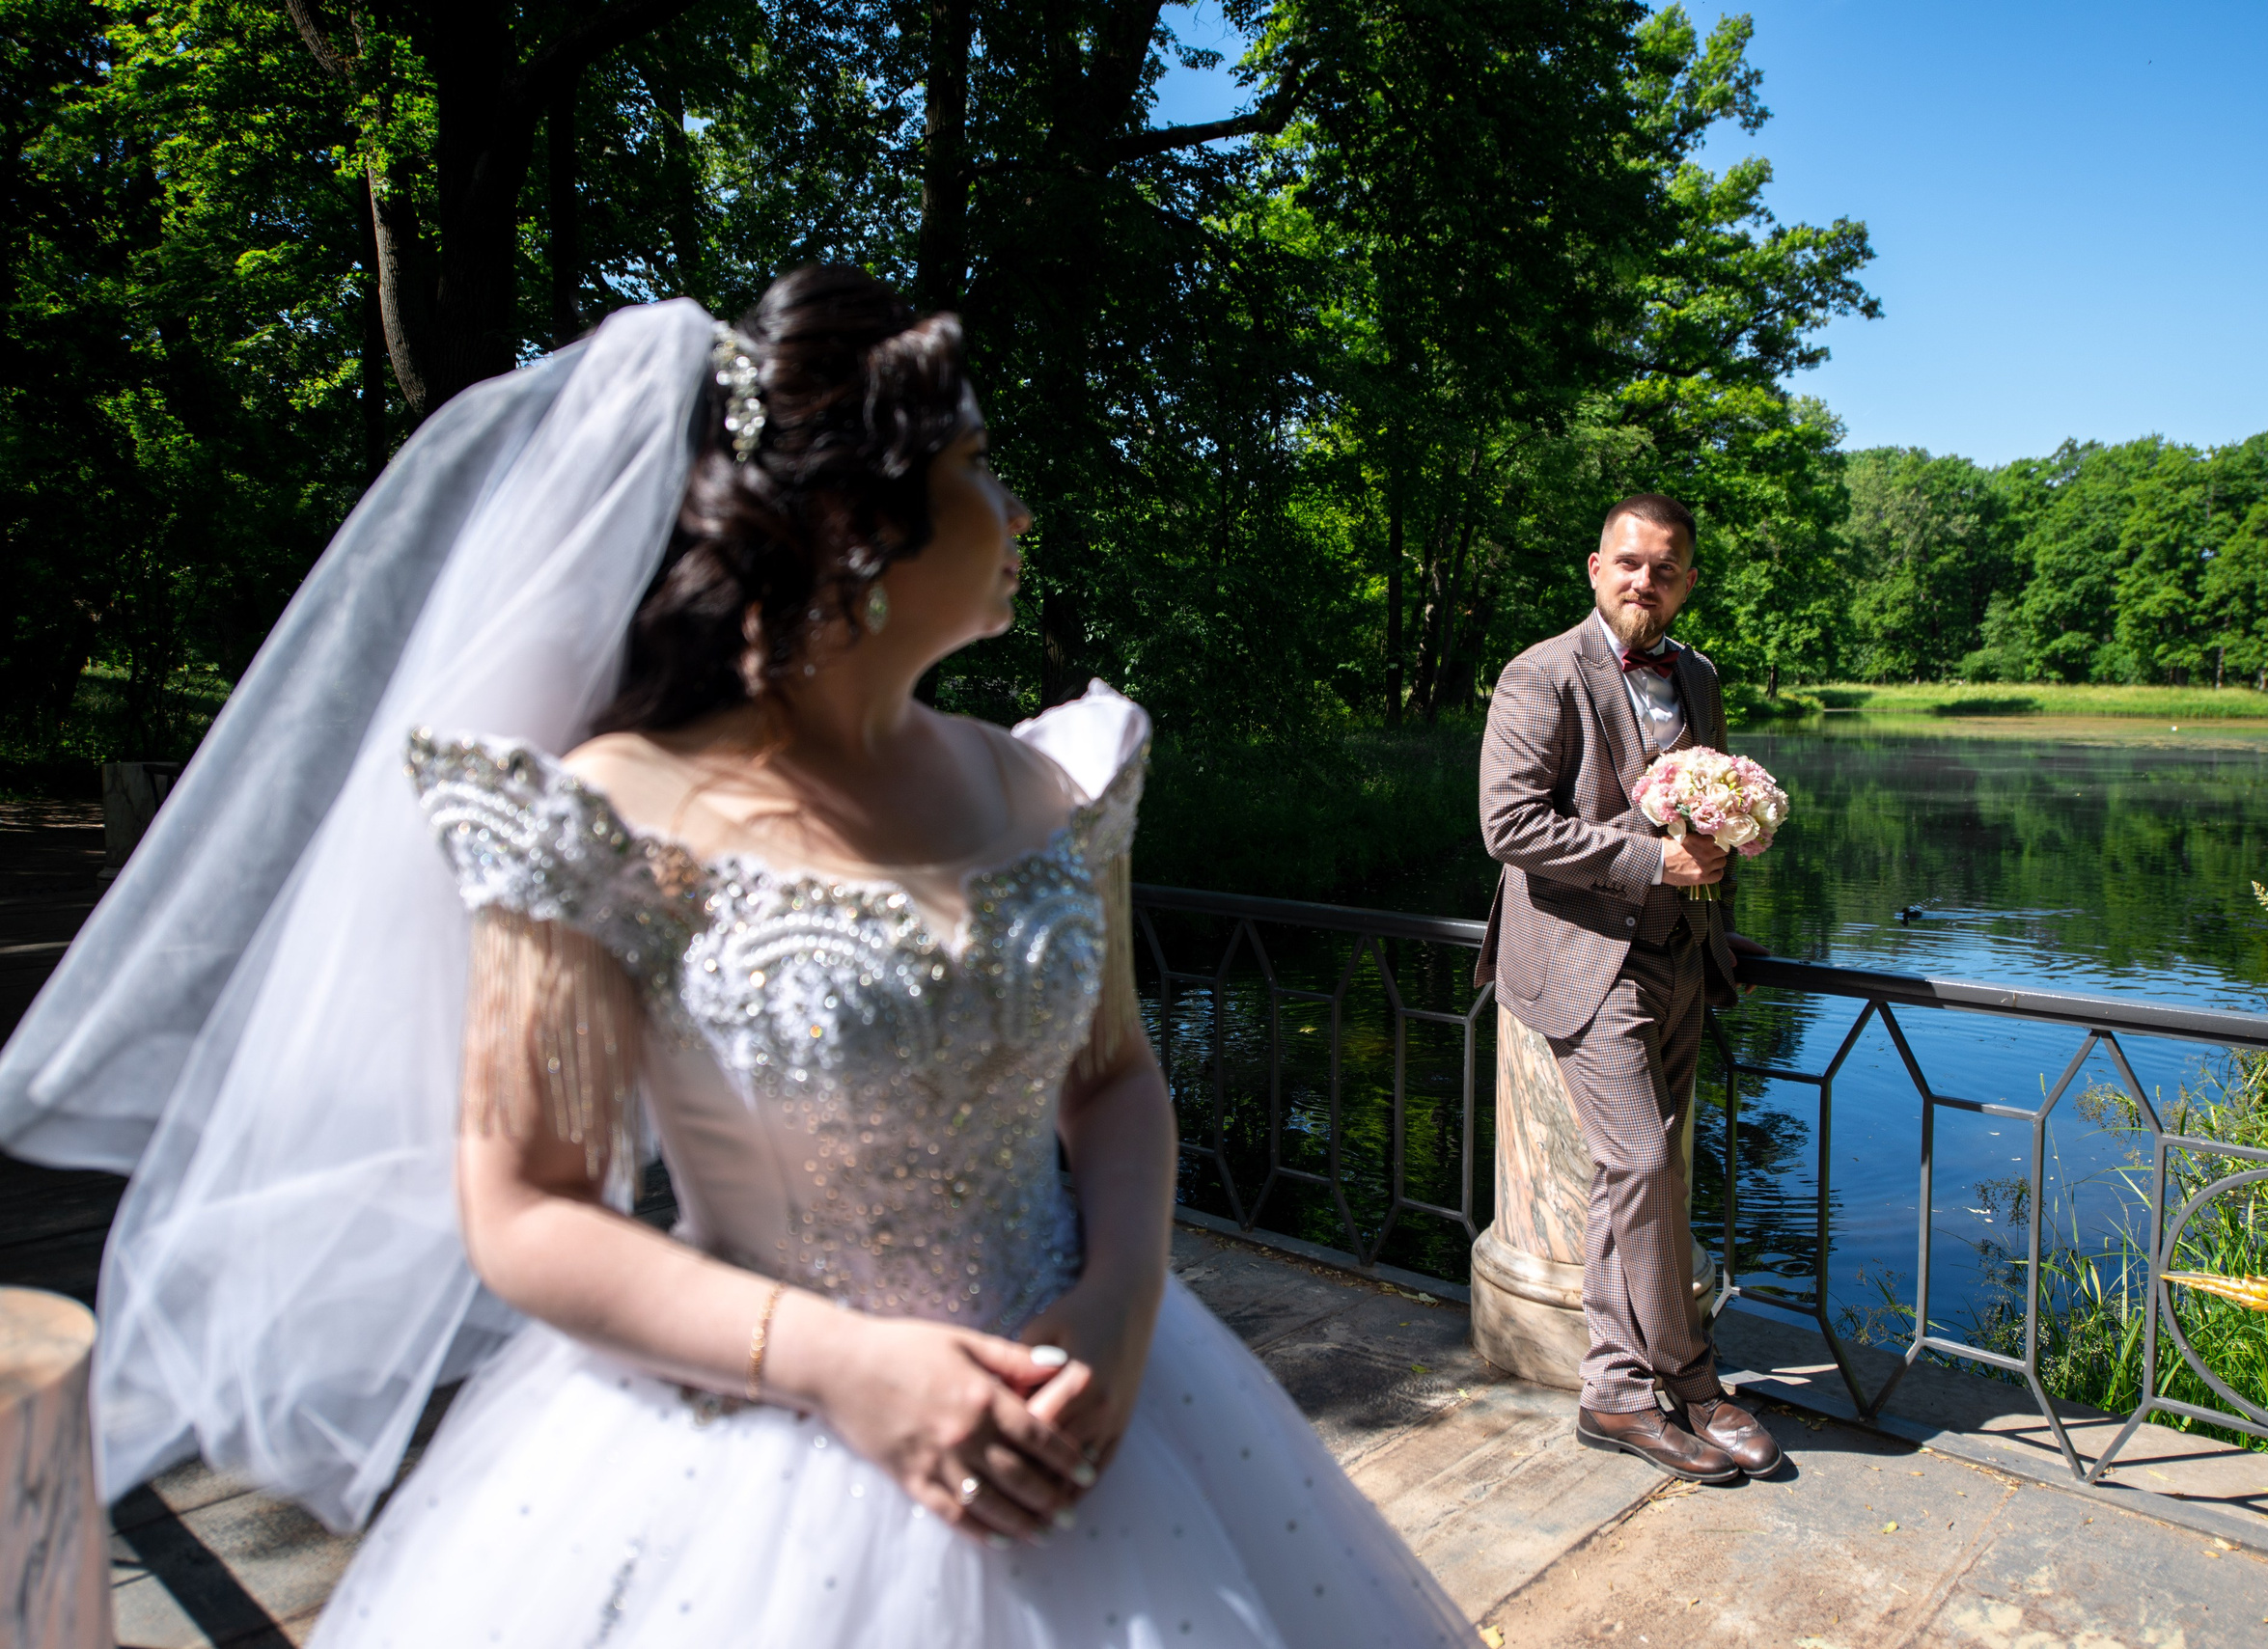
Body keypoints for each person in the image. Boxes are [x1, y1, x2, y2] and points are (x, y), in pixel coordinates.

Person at [0, 266, 1476, 1646]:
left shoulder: (1053, 782)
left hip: (1103, 1401)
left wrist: (1121, 1302)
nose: (1016, 507)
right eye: (974, 469)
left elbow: (1114, 1083)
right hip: (757, 1443)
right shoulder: (599, 819)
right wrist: (841, 1363)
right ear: (854, 530)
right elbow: (525, 1203)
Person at [1471, 493, 1783, 1485]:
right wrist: (1650, 861)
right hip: (1582, 955)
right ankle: (1690, 1376)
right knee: (1645, 1165)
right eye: (1629, 562)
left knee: (1633, 1179)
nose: (1645, 579)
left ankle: (1611, 1390)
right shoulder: (1540, 672)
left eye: (1666, 566)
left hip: (1681, 955)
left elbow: (1704, 813)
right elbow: (1510, 825)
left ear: (1687, 581)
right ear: (1595, 568)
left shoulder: (1696, 674)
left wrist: (1726, 851)